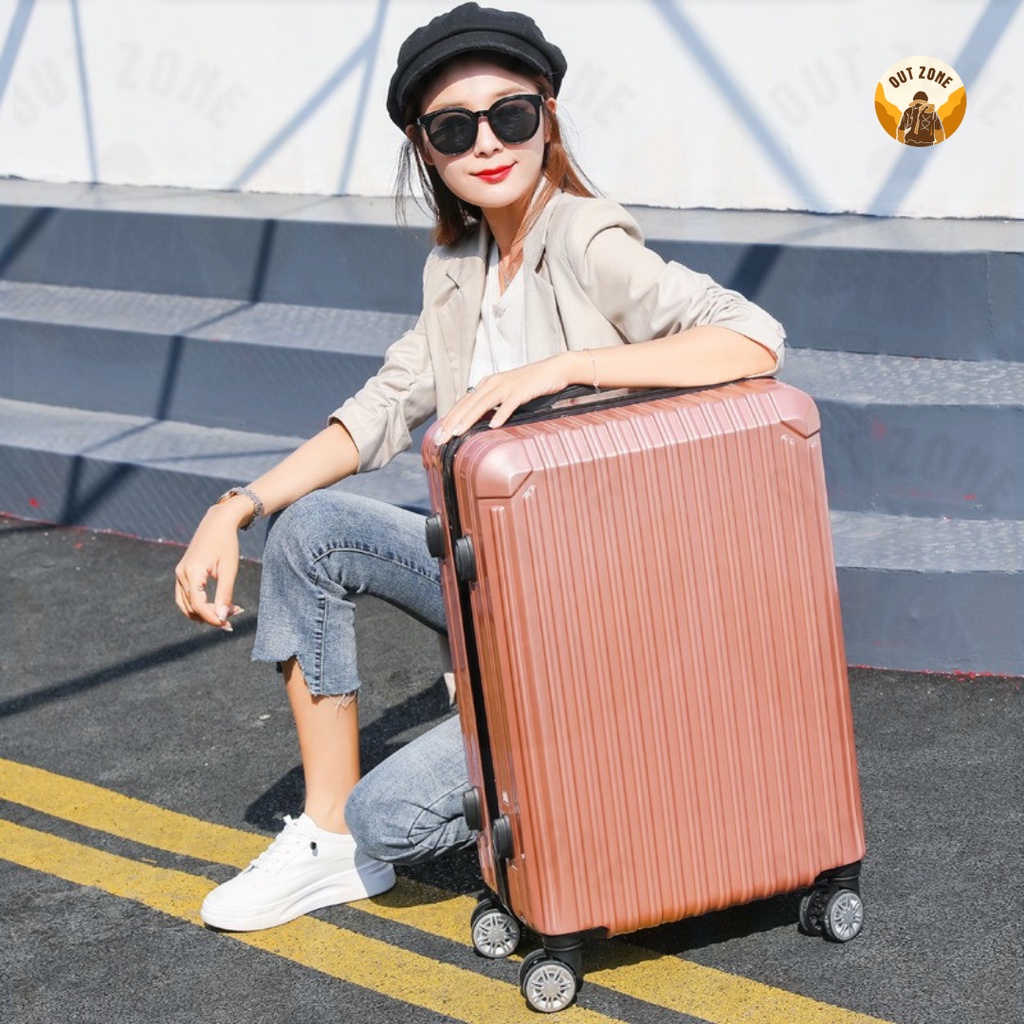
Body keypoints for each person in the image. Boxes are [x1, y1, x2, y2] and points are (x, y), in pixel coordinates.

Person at [174, 2, 785, 933]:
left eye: (512, 114)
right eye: (455, 128)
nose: (488, 143)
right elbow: (382, 408)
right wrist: (238, 506)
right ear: (425, 149)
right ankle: (327, 841)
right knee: (311, 530)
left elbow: (752, 337)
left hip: (597, 619)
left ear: (547, 117)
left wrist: (568, 367)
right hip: (499, 586)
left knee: (395, 820)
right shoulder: (458, 266)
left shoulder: (584, 238)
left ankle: (606, 753)